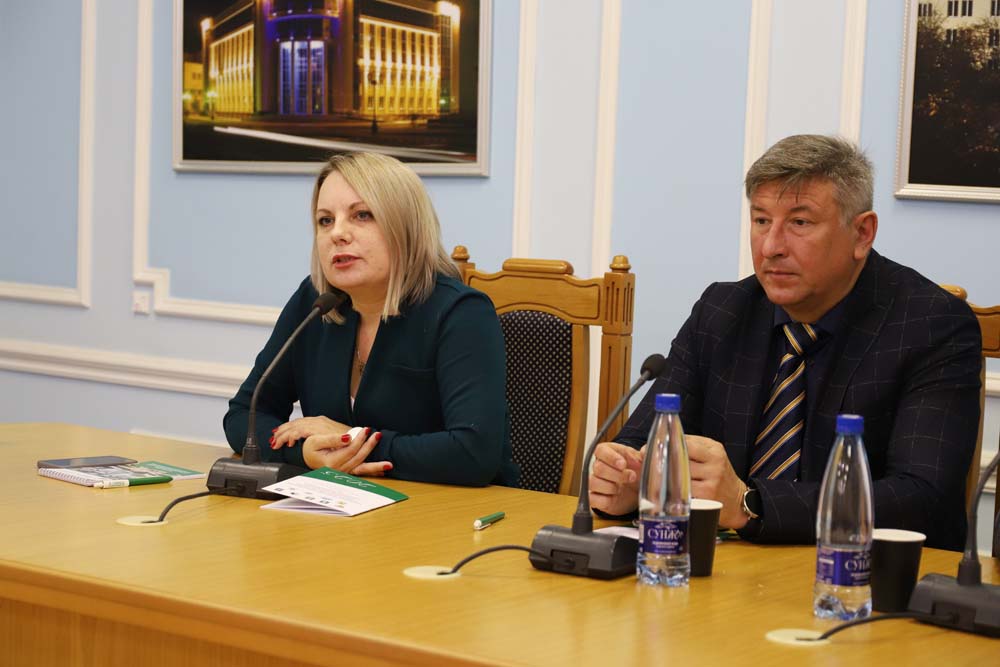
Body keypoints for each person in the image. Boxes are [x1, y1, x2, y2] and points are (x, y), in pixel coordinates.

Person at [589, 135, 980, 550]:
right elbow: (641, 445)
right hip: (727, 572)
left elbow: (921, 497)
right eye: (761, 221)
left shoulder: (931, 325)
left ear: (862, 233)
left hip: (864, 574)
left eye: (800, 223)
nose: (771, 247)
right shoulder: (722, 311)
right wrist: (624, 482)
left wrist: (749, 504)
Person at [224, 152, 518, 486]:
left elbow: (473, 453)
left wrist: (352, 441)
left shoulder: (461, 312)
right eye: (325, 220)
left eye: (361, 215)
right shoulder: (315, 303)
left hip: (458, 510)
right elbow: (244, 416)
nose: (337, 233)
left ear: (405, 227)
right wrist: (305, 452)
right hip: (347, 505)